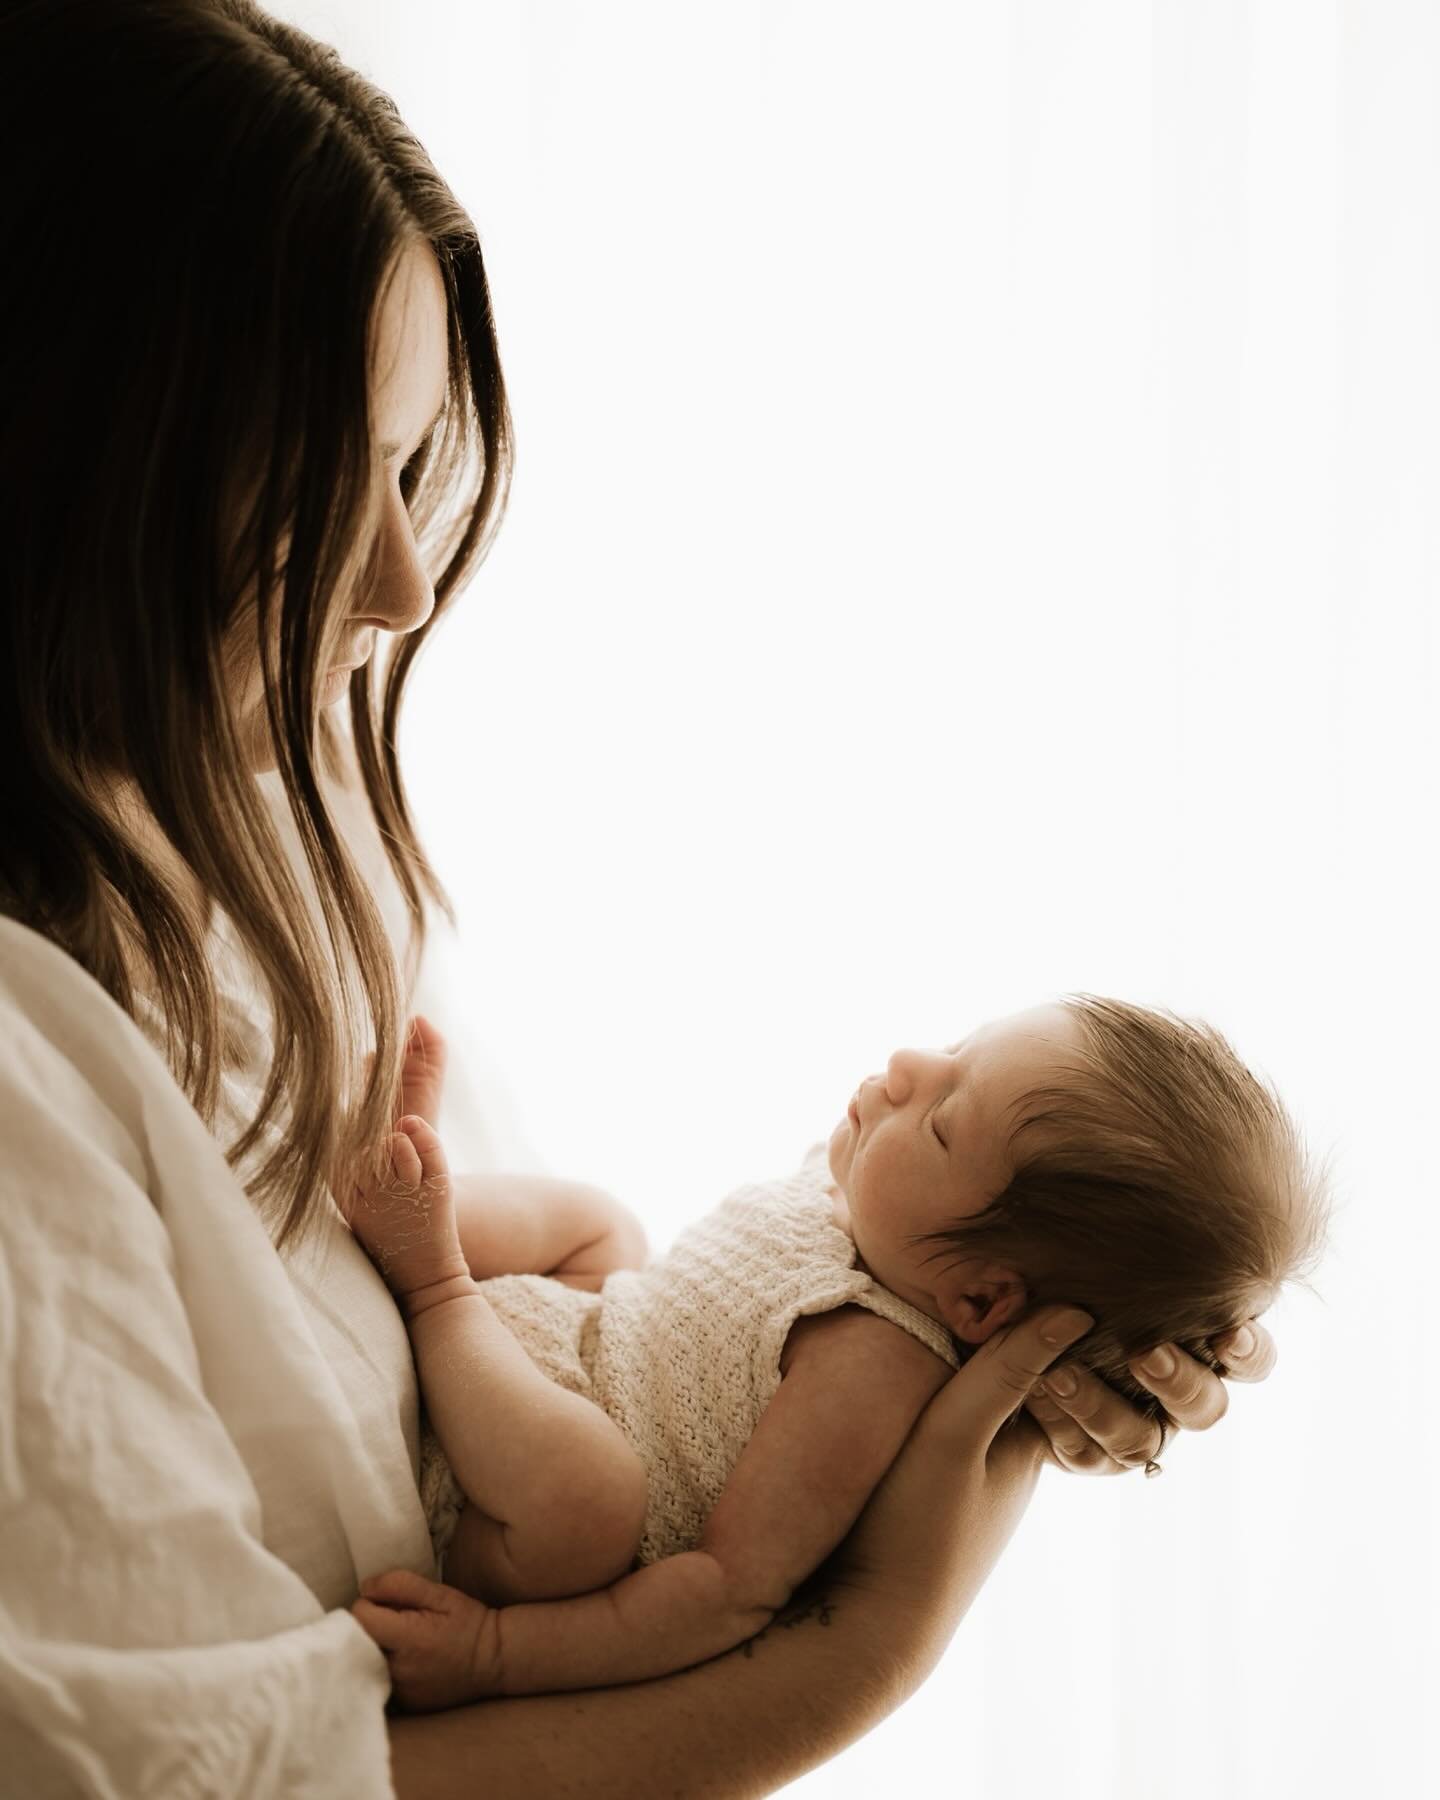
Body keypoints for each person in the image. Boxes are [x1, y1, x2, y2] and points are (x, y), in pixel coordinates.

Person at [0, 2, 1279, 1794]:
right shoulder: (25, 1073)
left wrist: (1039, 1332)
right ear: (75, 457)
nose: (389, 583)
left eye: (410, 467)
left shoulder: (280, 832)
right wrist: (856, 1663)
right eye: (317, 477)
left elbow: (588, 1305)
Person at [339, 996, 1327, 1712]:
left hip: (524, 1507)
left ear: (983, 1298)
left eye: (940, 1123)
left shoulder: (873, 1362)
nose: (905, 1065)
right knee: (607, 1227)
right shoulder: (866, 1203)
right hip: (573, 1358)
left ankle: (432, 1278)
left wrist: (496, 1654)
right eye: (954, 1049)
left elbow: (727, 1593)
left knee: (588, 1497)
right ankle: (407, 1178)